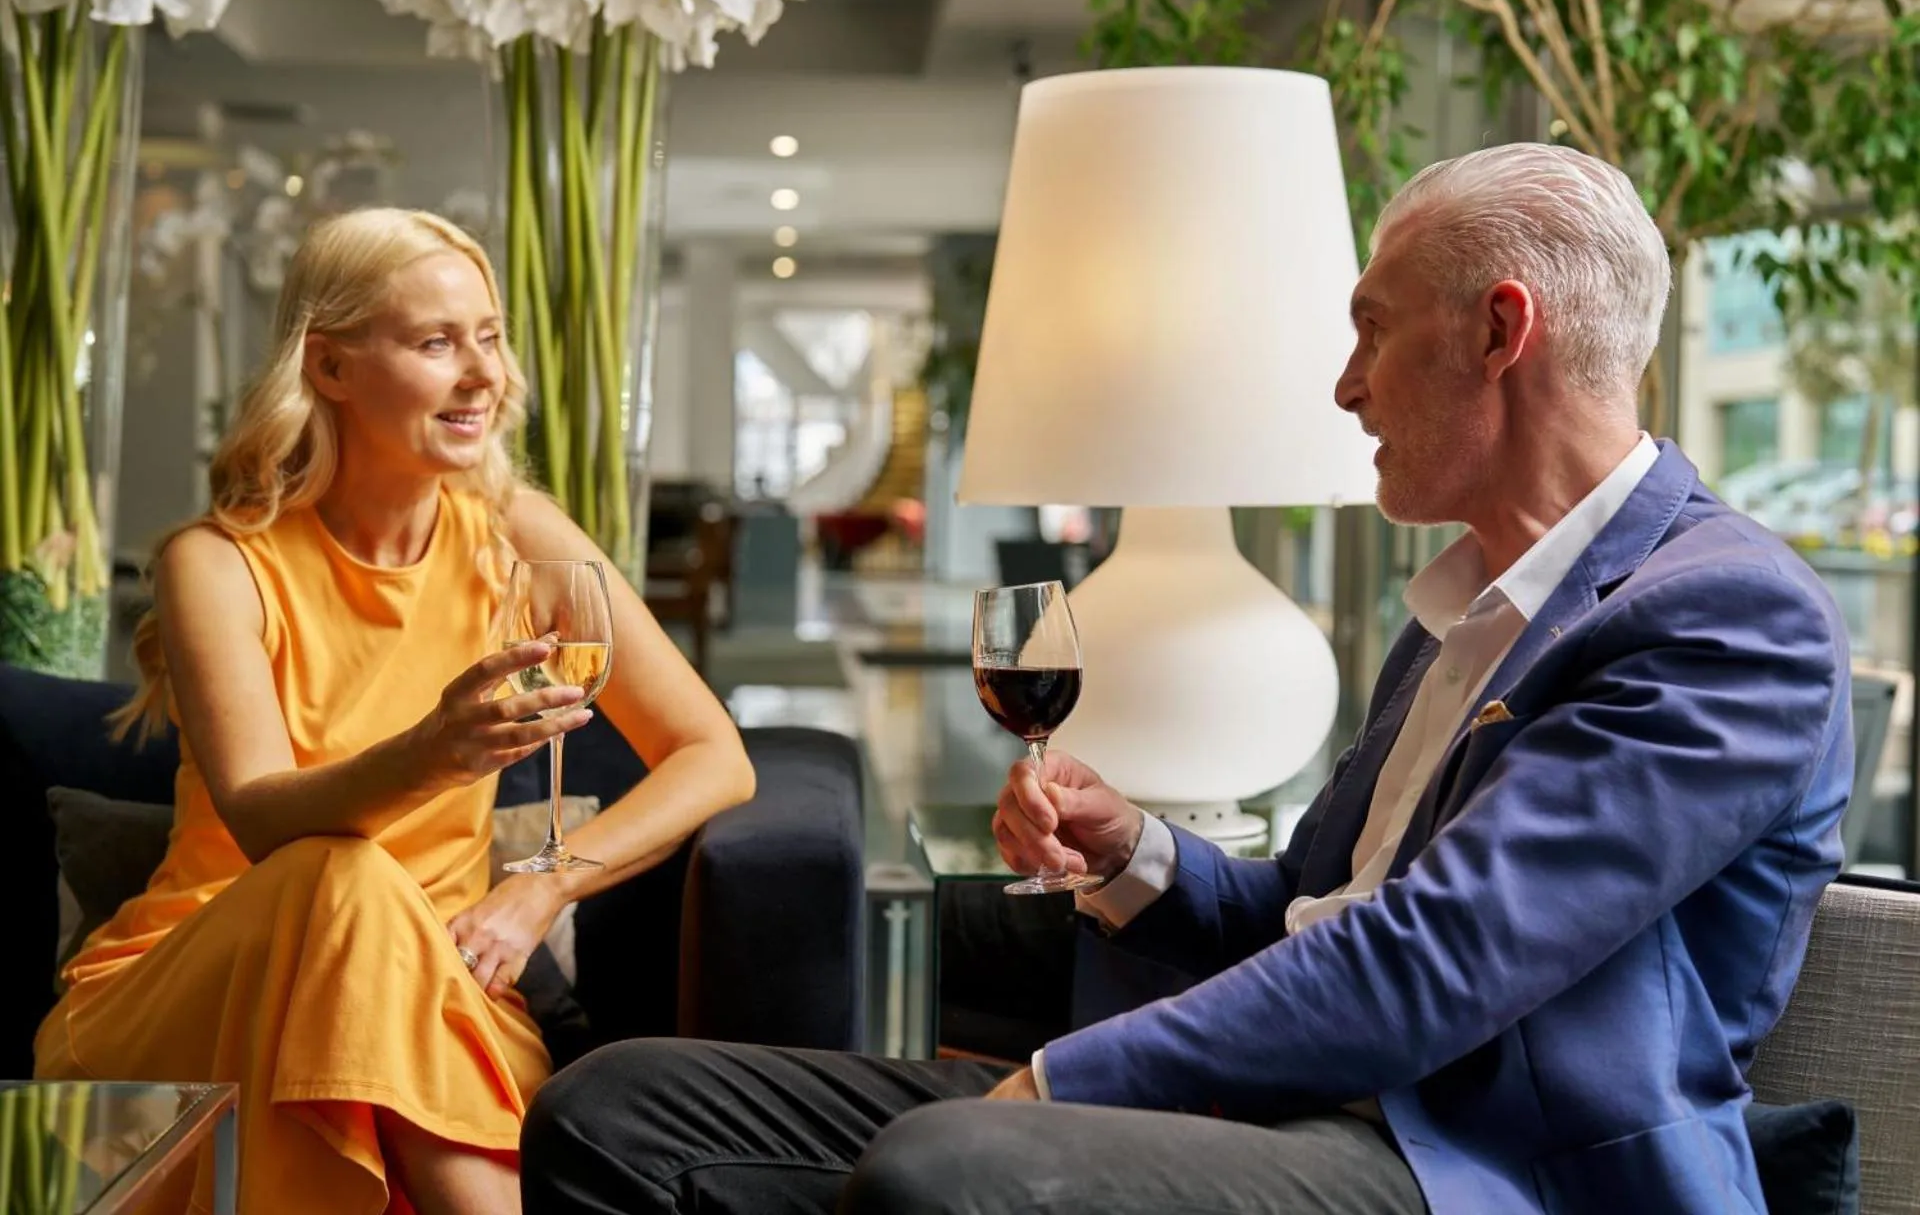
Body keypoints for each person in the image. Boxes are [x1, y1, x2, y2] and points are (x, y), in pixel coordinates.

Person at [519, 143, 1851, 1214]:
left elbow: (1430, 963)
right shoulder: (1469, 602)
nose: (1345, 386)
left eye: (1372, 331)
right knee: (617, 1107)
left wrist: (1062, 1081)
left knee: (954, 1172)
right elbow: (1304, 909)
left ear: (1504, 331)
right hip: (1298, 1115)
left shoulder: (1726, 620)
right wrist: (1134, 854)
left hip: (1472, 1170)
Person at [35, 208, 755, 1215]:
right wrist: (431, 751)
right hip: (195, 989)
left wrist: (544, 884)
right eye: (435, 342)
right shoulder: (217, 563)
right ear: (328, 367)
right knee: (344, 870)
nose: (483, 375)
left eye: (490, 337)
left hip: (435, 997)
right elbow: (261, 816)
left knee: (371, 904)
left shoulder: (519, 535)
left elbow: (713, 753)